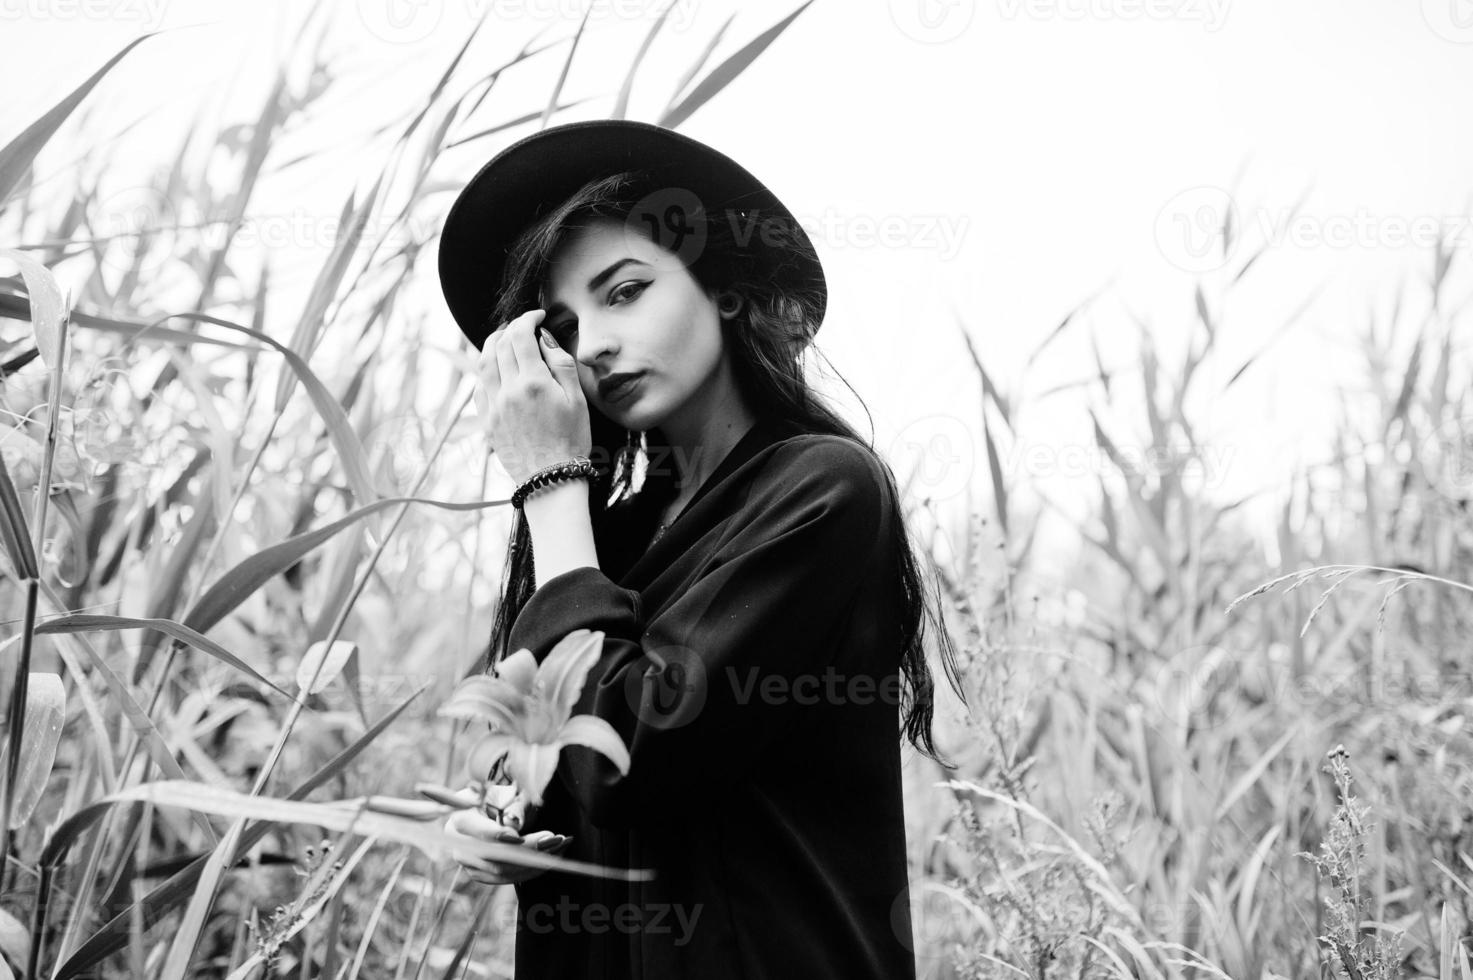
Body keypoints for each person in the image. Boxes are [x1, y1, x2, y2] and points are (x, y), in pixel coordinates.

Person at [435, 119, 968, 979]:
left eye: (625, 291)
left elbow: (633, 760)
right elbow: (567, 771)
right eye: (564, 328)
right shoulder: (605, 530)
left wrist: (549, 486)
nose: (596, 346)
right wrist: (506, 825)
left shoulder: (821, 487)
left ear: (722, 287)